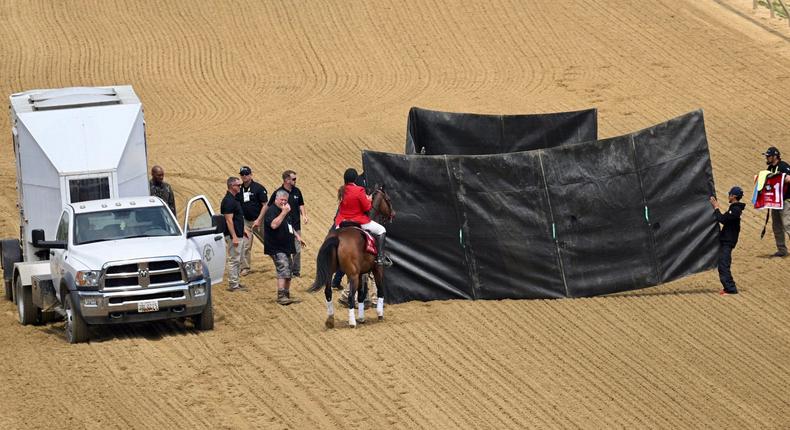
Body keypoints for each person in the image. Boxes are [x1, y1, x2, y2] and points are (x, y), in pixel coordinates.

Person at [334, 168, 388, 265]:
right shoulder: (359, 190)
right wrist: (369, 199)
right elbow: (367, 208)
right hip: (357, 220)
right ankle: (380, 258)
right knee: (381, 230)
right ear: (355, 179)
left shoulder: (342, 190)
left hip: (341, 221)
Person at [264, 190, 304, 305]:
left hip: (286, 246)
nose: (283, 202)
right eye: (281, 200)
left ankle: (286, 294)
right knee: (283, 268)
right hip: (276, 247)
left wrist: (297, 237)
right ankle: (281, 296)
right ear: (276, 199)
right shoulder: (272, 210)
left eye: (285, 201)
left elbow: (289, 225)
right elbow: (274, 225)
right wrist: (284, 212)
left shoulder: (285, 211)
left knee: (289, 270)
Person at [267, 170, 307, 277]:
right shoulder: (278, 193)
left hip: (295, 225)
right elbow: (270, 206)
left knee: (297, 250)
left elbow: (301, 204)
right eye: (293, 179)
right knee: (286, 249)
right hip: (283, 227)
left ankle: (296, 271)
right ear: (286, 180)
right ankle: (287, 271)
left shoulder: (297, 191)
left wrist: (304, 215)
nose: (295, 181)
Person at [710, 187, 746, 295]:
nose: (728, 195)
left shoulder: (735, 209)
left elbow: (722, 219)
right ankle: (728, 288)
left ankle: (730, 289)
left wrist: (716, 207)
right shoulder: (734, 208)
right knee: (723, 264)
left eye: (730, 194)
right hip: (727, 240)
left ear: (733, 196)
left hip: (728, 241)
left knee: (724, 265)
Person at [237, 166, 268, 276]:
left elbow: (265, 205)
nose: (244, 176)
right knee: (245, 245)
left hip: (259, 221)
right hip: (246, 222)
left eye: (246, 174)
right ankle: (245, 267)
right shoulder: (239, 189)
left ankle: (280, 262)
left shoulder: (258, 188)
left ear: (251, 175)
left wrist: (259, 220)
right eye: (242, 174)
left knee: (269, 242)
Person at [221, 177, 249, 291]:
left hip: (238, 234)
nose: (240, 187)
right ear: (232, 186)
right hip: (234, 236)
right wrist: (234, 237)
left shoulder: (233, 199)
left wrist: (242, 230)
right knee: (234, 259)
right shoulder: (228, 201)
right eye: (238, 185)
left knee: (238, 259)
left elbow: (237, 218)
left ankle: (236, 282)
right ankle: (233, 284)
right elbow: (229, 220)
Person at [764, 147, 790, 257]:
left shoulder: (784, 166)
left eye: (768, 156)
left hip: (785, 201)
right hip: (775, 202)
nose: (767, 158)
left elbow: (789, 178)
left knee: (788, 225)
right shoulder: (770, 168)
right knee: (777, 227)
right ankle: (782, 250)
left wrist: (778, 178)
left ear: (775, 156)